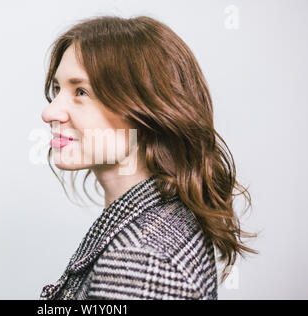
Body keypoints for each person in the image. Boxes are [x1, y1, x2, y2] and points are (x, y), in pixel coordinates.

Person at [40, 15, 258, 300]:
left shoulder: (140, 259)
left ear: (145, 110)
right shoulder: (154, 221)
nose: (50, 112)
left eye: (81, 91)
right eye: (57, 89)